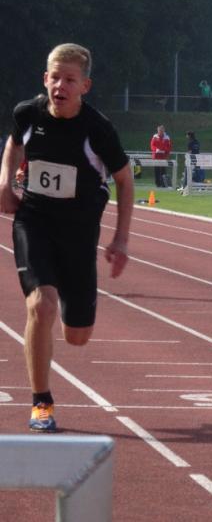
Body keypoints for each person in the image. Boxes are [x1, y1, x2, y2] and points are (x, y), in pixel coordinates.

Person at [0, 43, 133, 432]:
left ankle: (64, 303)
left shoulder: (98, 130)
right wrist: (6, 182)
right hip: (34, 222)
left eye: (70, 80)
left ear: (84, 86)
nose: (61, 86)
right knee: (41, 306)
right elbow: (14, 145)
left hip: (78, 233)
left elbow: (125, 182)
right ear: (45, 79)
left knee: (76, 336)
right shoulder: (28, 113)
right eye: (55, 78)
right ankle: (41, 402)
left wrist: (121, 239)